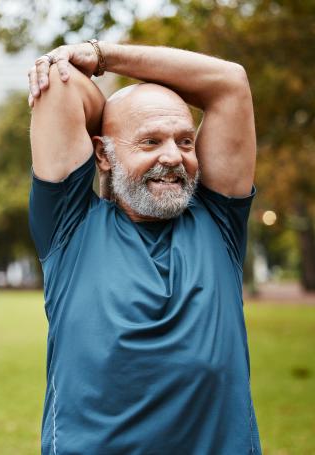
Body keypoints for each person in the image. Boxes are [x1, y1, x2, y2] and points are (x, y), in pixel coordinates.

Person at [27, 41, 261, 454]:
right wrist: (111, 117)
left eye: (186, 141)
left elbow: (230, 82)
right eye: (150, 142)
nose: (173, 156)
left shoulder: (219, 220)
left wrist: (102, 56)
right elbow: (61, 88)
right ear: (102, 153)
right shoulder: (70, 228)